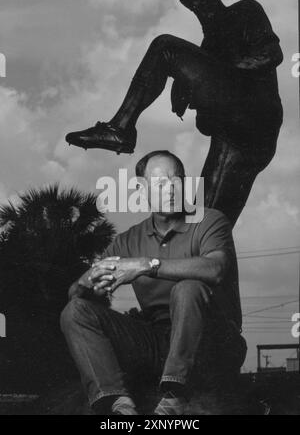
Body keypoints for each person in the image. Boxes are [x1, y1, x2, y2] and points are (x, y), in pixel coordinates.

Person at [65, 0, 283, 226]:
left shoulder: (244, 11)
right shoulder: (207, 46)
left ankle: (120, 129)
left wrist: (207, 79)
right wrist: (196, 95)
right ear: (187, 4)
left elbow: (271, 54)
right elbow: (205, 125)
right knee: (201, 228)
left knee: (165, 48)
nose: (202, 5)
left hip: (254, 116)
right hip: (239, 142)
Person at [60, 150, 247, 416]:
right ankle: (117, 403)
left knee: (188, 287)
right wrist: (86, 280)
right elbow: (75, 295)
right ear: (141, 188)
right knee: (75, 311)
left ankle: (175, 395)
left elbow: (216, 268)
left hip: (213, 341)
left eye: (177, 180)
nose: (171, 189)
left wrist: (147, 264)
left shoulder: (209, 220)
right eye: (160, 183)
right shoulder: (128, 240)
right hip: (159, 344)